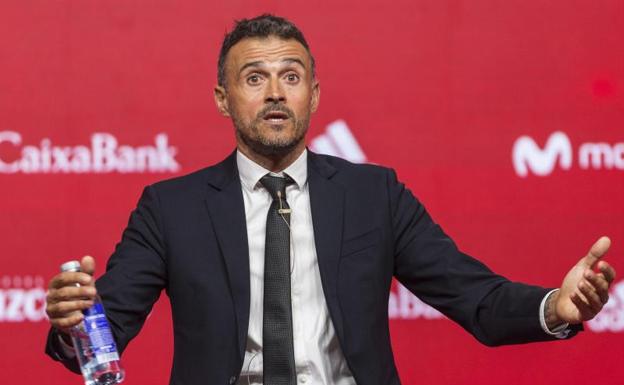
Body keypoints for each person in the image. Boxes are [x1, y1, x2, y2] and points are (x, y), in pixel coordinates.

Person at [45, 14, 616, 385]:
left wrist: (556, 308)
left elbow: (476, 299)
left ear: (314, 94)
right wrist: (75, 322)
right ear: (223, 98)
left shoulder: (375, 196)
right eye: (254, 78)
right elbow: (102, 335)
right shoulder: (170, 207)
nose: (275, 92)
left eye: (291, 77)